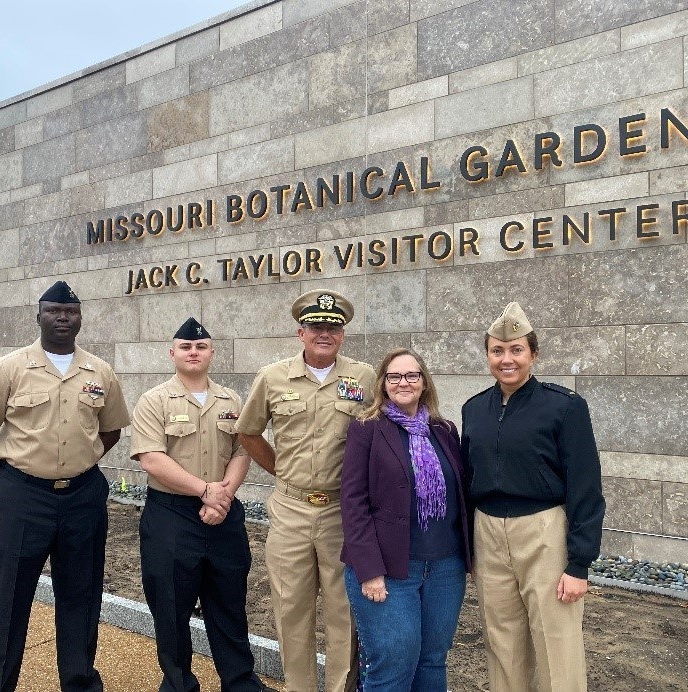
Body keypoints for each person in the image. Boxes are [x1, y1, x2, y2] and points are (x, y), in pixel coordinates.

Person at [0, 280, 131, 692]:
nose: (62, 317)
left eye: (70, 312)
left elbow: (110, 432)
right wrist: (13, 475)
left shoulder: (99, 372)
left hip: (83, 497)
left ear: (80, 319)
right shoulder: (10, 368)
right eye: (54, 310)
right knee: (9, 602)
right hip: (22, 497)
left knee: (81, 596)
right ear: (38, 316)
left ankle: (79, 682)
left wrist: (80, 462)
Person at [460, 302, 606, 692]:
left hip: (543, 531)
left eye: (516, 350)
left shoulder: (565, 407)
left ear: (534, 354)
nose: (506, 359)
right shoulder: (474, 410)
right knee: (502, 641)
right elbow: (467, 481)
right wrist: (468, 549)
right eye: (497, 350)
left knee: (555, 641)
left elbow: (586, 487)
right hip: (488, 532)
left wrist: (579, 564)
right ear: (488, 355)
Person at [235, 289, 375, 692]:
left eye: (333, 327)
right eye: (316, 326)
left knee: (343, 611)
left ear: (343, 334)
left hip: (341, 512)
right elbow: (248, 431)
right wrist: (282, 469)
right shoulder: (273, 377)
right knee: (291, 609)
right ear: (301, 332)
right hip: (291, 509)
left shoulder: (362, 377)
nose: (324, 333)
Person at [130, 317, 267, 692]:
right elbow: (151, 457)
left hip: (223, 514)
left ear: (212, 353)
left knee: (229, 606)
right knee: (171, 609)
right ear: (172, 352)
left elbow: (244, 450)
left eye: (201, 346)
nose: (194, 352)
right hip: (171, 515)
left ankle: (240, 683)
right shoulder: (154, 399)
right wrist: (206, 491)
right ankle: (178, 684)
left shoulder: (231, 400)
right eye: (186, 347)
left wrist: (222, 495)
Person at [340, 348, 472, 691]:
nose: (403, 382)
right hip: (389, 569)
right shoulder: (367, 428)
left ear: (424, 382)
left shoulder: (444, 430)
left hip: (445, 568)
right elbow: (353, 502)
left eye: (412, 375)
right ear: (383, 384)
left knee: (432, 661)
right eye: (394, 376)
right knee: (393, 666)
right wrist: (369, 572)